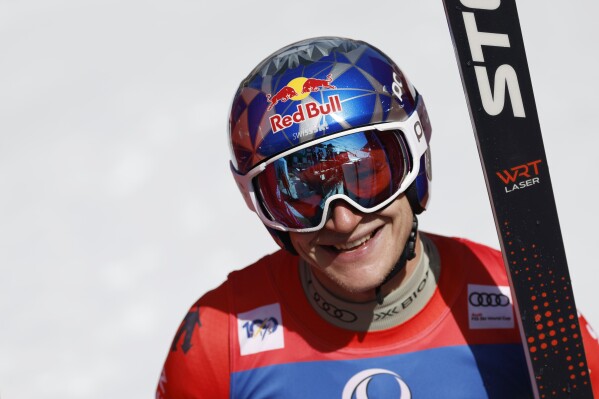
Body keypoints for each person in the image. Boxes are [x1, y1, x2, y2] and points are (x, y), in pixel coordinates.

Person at [156, 37, 599, 398]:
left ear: (415, 162)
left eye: (365, 174)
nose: (344, 220)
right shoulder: (220, 343)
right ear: (266, 210)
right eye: (304, 192)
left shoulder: (520, 303)